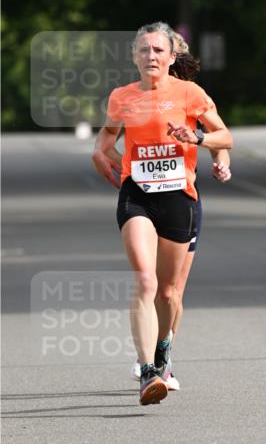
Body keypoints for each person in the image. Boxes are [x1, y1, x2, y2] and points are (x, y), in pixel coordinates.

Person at [92, 21, 233, 404]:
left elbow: (224, 136)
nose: (150, 56)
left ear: (172, 57)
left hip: (179, 198)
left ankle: (163, 350)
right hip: (137, 196)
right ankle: (147, 371)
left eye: (158, 50)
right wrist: (115, 165)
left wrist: (204, 143)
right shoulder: (121, 97)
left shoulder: (189, 93)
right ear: (134, 56)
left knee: (169, 293)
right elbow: (103, 144)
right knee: (145, 281)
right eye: (143, 50)